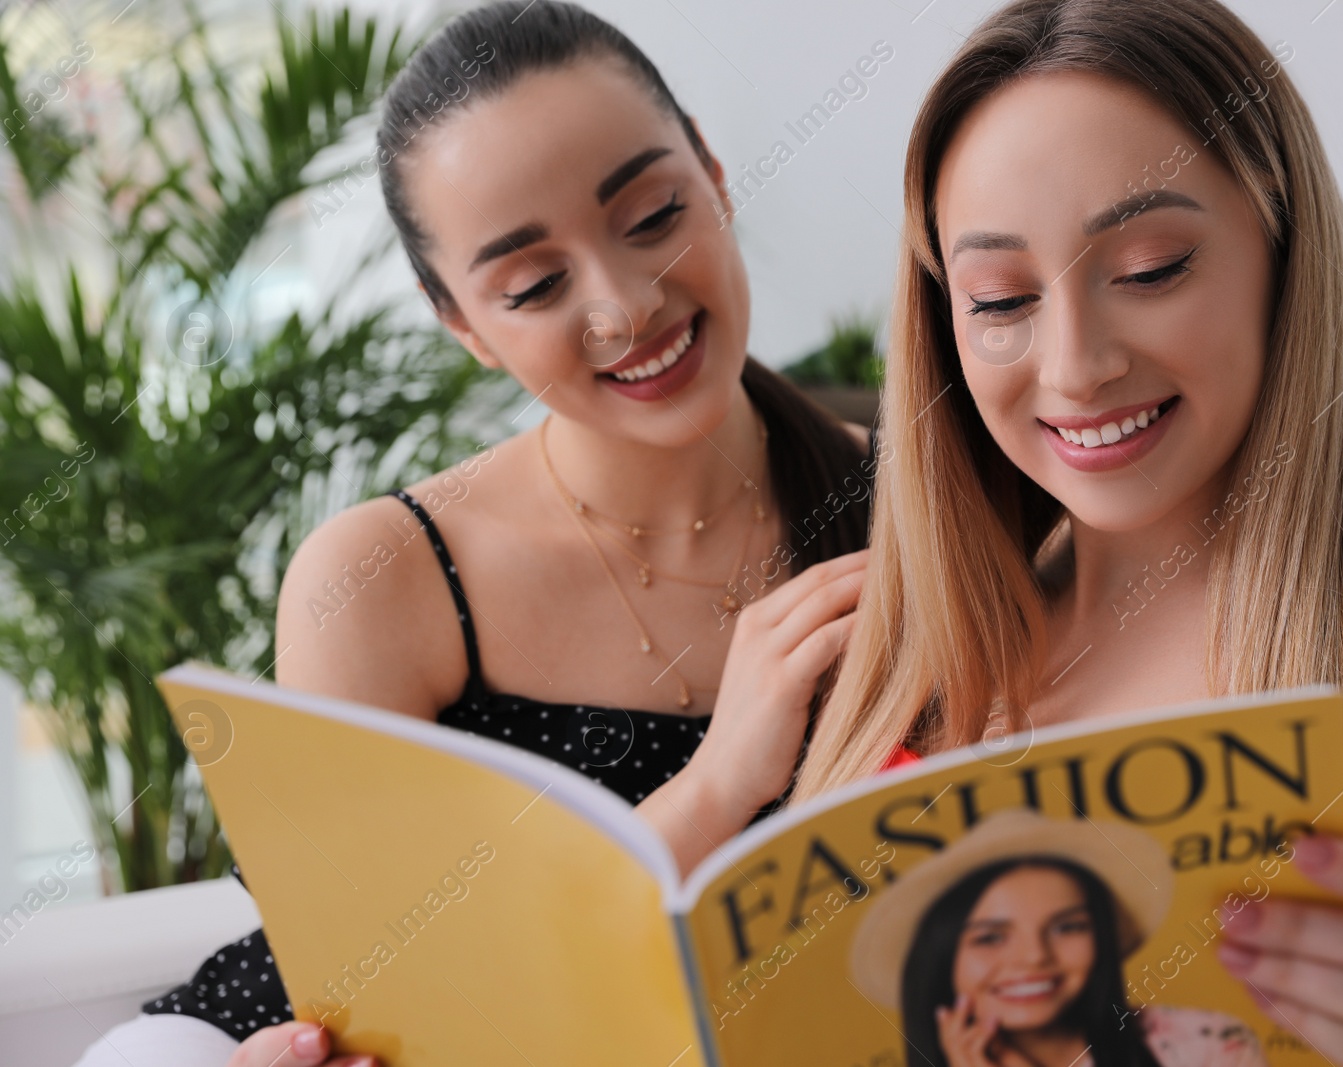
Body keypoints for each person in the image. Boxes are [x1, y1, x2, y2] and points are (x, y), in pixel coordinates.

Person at [791, 1, 1343, 1064]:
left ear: (1282, 256)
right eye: (998, 298)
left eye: (1150, 269)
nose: (1076, 364)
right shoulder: (908, 665)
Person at [74, 3, 876, 1065]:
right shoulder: (380, 577)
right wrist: (720, 782)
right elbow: (419, 988)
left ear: (717, 176)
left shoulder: (915, 500)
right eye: (534, 284)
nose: (625, 304)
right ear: (461, 322)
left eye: (650, 215)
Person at [851, 810, 1267, 1067]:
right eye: (991, 937)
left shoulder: (1209, 1046)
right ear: (941, 954)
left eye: (1067, 927)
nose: (1034, 957)